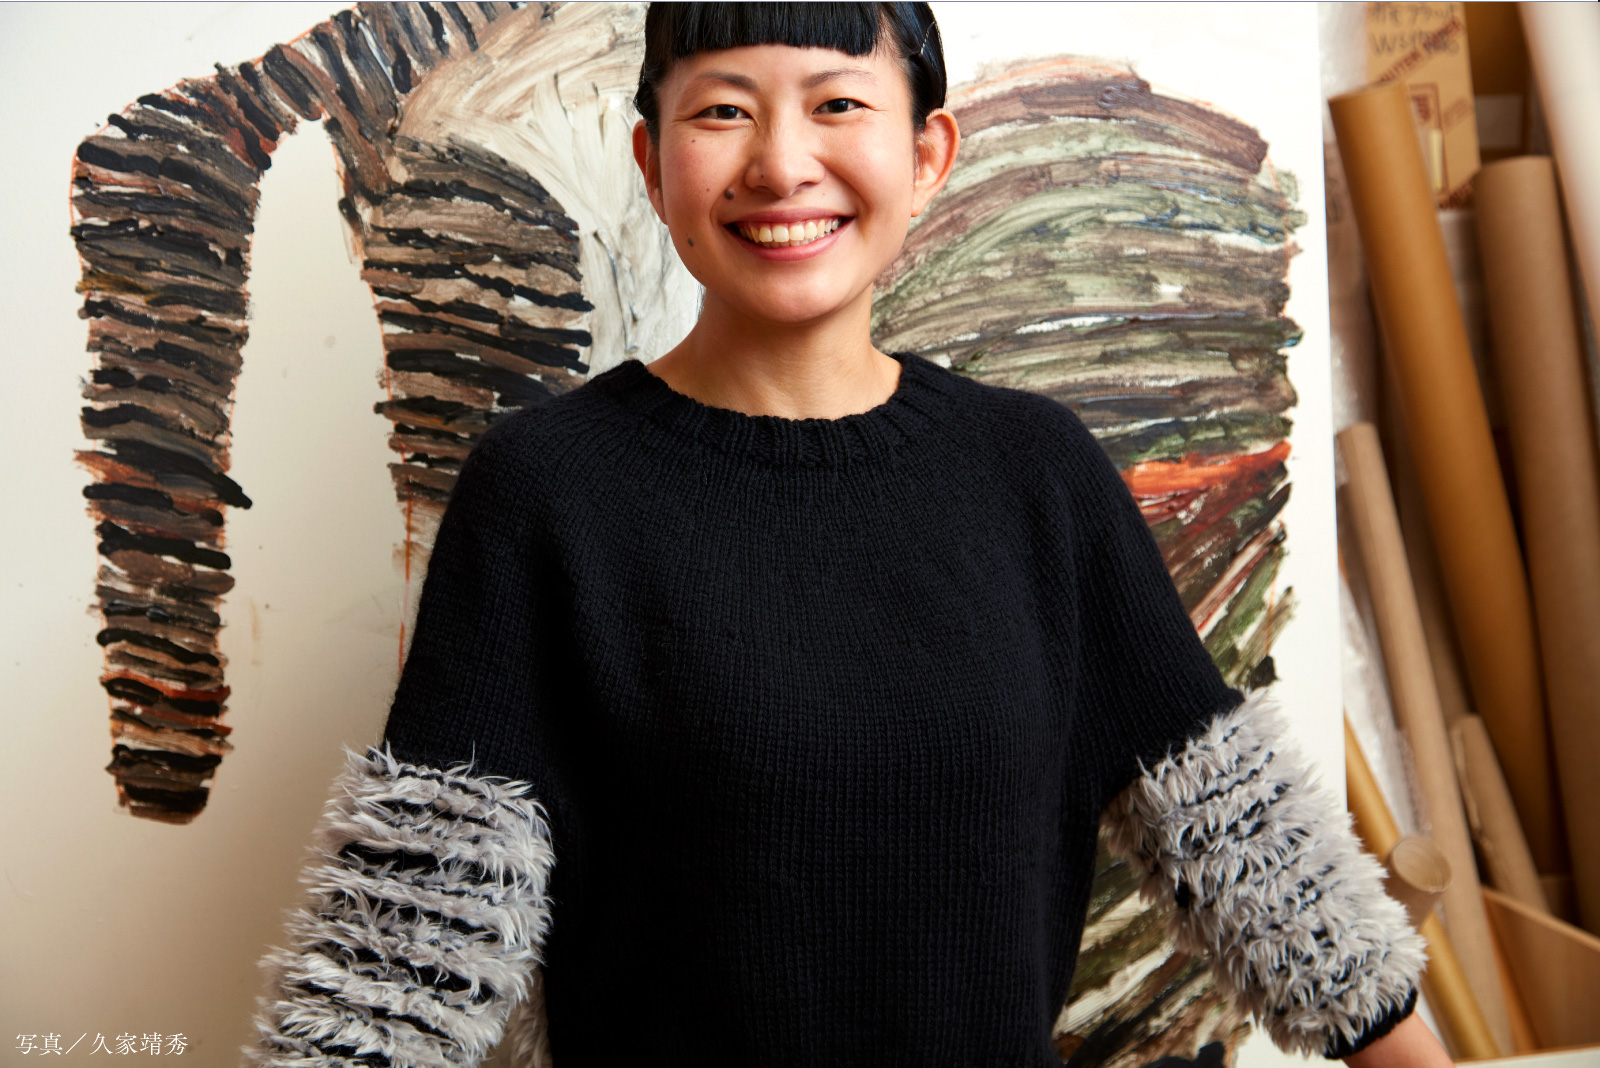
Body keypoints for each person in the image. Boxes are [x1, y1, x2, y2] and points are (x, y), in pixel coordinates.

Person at [246, 5, 1449, 1067]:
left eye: (836, 105)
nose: (781, 164)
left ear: (925, 156)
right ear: (651, 162)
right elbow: (409, 943)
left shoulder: (1037, 473)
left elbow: (1250, 852)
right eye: (723, 110)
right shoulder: (546, 492)